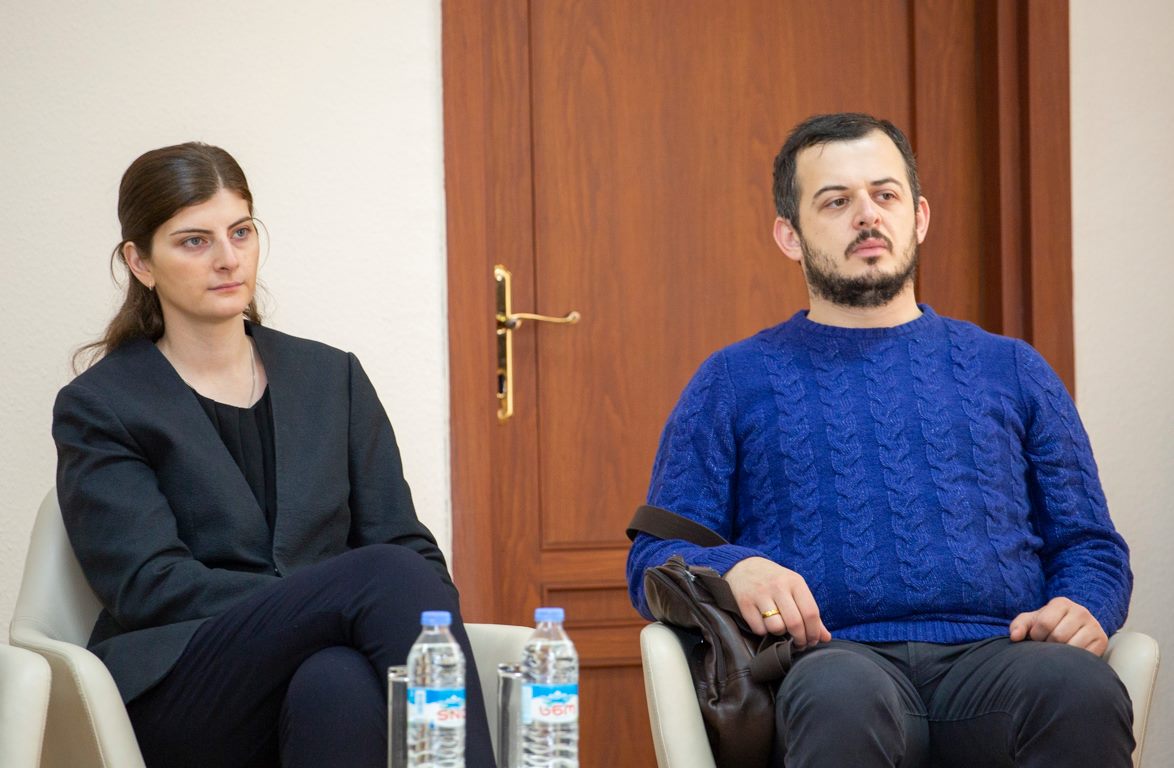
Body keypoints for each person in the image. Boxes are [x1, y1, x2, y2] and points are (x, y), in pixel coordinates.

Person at [626, 113, 1134, 766]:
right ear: (790, 235)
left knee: (1079, 687)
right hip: (831, 662)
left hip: (1001, 658)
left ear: (918, 217)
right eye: (836, 201)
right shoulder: (731, 380)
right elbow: (652, 560)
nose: (867, 214)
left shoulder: (1013, 368)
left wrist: (1083, 604)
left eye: (885, 194)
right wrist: (734, 568)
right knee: (839, 695)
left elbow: (1091, 545)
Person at [53, 142, 494, 768]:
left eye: (240, 232)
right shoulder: (101, 405)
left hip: (317, 668)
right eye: (195, 241)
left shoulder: (332, 378)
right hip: (188, 688)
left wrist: (326, 614)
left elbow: (407, 543)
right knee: (383, 577)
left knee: (337, 680)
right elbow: (149, 587)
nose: (228, 259)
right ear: (140, 262)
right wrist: (324, 602)